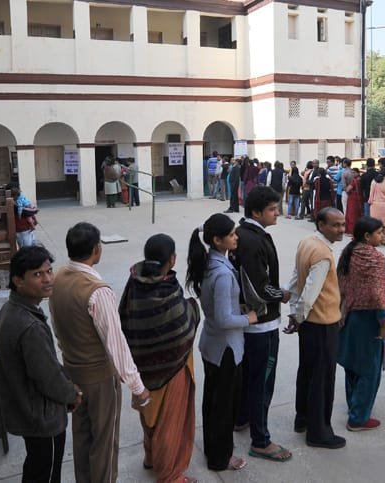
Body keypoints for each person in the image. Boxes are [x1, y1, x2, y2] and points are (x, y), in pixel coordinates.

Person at [49, 222, 151, 483]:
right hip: (99, 379)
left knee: (82, 437)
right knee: (104, 444)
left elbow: (58, 326)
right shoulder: (98, 291)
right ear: (97, 250)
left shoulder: (57, 278)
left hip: (72, 372)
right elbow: (116, 345)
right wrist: (138, 387)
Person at [119, 234, 201, 482]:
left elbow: (124, 317)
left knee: (149, 416)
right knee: (170, 421)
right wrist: (193, 308)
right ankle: (170, 475)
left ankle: (151, 457)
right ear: (173, 259)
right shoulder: (167, 286)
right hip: (171, 368)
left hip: (141, 365)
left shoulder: (134, 282)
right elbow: (182, 327)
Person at [0, 246, 81, 483]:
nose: (48, 279)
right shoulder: (28, 326)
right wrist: (70, 394)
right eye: (37, 274)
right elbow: (47, 377)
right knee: (46, 473)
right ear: (18, 280)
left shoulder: (12, 309)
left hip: (29, 412)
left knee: (36, 467)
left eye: (49, 271)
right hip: (43, 419)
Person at [186, 214, 257, 472]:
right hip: (226, 348)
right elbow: (225, 319)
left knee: (213, 403)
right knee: (224, 407)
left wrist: (235, 307)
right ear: (217, 240)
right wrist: (248, 317)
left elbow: (219, 309)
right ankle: (220, 458)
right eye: (231, 235)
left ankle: (214, 452)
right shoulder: (223, 273)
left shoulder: (209, 264)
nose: (236, 237)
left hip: (212, 345)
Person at [230, 186, 293, 462]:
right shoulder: (252, 240)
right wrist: (284, 295)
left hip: (252, 321)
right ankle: (261, 440)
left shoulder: (246, 234)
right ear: (256, 212)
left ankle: (242, 417)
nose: (277, 213)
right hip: (261, 324)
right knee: (261, 383)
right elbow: (258, 288)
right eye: (271, 209)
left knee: (249, 377)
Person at [284, 208, 348, 447]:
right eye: (335, 225)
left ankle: (302, 418)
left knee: (308, 373)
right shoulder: (322, 253)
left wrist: (294, 313)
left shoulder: (307, 242)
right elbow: (309, 291)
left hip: (310, 323)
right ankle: (319, 432)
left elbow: (294, 279)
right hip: (321, 323)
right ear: (321, 225)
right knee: (322, 379)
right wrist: (298, 315)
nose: (341, 229)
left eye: (343, 224)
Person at [337, 217, 385, 431]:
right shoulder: (374, 258)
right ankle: (359, 418)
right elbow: (376, 292)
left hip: (349, 314)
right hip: (370, 318)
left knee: (353, 365)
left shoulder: (348, 252)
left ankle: (354, 404)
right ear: (367, 236)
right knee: (369, 370)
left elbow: (341, 283)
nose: (382, 236)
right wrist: (384, 321)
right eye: (379, 233)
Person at [368, 169, 385, 244]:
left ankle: (374, 239)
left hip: (375, 205)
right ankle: (383, 240)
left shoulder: (374, 182)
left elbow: (371, 195)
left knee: (374, 224)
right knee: (384, 225)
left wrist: (370, 202)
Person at [8, 183, 39, 247]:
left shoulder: (17, 200)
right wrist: (34, 210)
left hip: (26, 229)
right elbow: (27, 211)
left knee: (31, 246)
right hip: (23, 230)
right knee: (26, 249)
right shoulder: (13, 204)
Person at [344, 167, 363, 235]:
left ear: (358, 173)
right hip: (359, 198)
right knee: (357, 214)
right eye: (352, 173)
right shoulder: (360, 179)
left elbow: (348, 189)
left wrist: (346, 188)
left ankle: (351, 231)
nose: (352, 174)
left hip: (353, 199)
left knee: (352, 214)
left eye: (354, 172)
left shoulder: (354, 181)